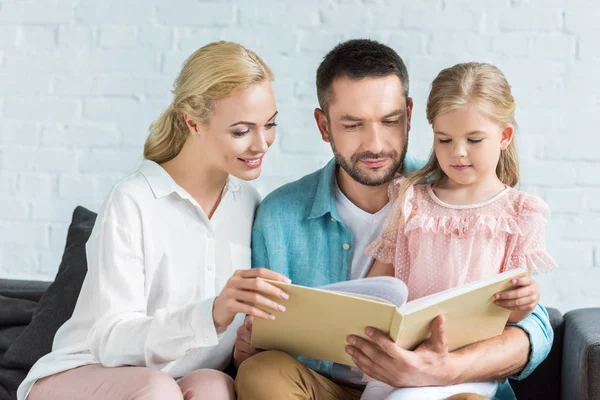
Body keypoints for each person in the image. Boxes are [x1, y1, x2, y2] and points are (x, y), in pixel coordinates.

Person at [233, 40, 554, 400]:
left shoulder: (458, 193)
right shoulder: (279, 215)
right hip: (323, 386)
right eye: (352, 125)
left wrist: (442, 369)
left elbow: (535, 329)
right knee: (261, 372)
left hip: (440, 387)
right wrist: (249, 342)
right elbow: (259, 331)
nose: (375, 144)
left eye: (390, 121)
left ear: (410, 114)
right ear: (324, 126)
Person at [17, 41, 291, 400]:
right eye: (241, 131)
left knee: (215, 387)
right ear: (192, 122)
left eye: (269, 125)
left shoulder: (251, 204)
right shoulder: (134, 200)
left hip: (176, 380)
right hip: (86, 373)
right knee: (157, 390)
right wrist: (211, 313)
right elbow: (113, 341)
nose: (262, 144)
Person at [359, 62, 558, 399]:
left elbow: (513, 312)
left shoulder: (519, 212)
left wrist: (527, 299)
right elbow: (381, 284)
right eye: (444, 139)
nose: (458, 152)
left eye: (474, 139)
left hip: (465, 366)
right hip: (403, 357)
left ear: (504, 137)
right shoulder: (412, 200)